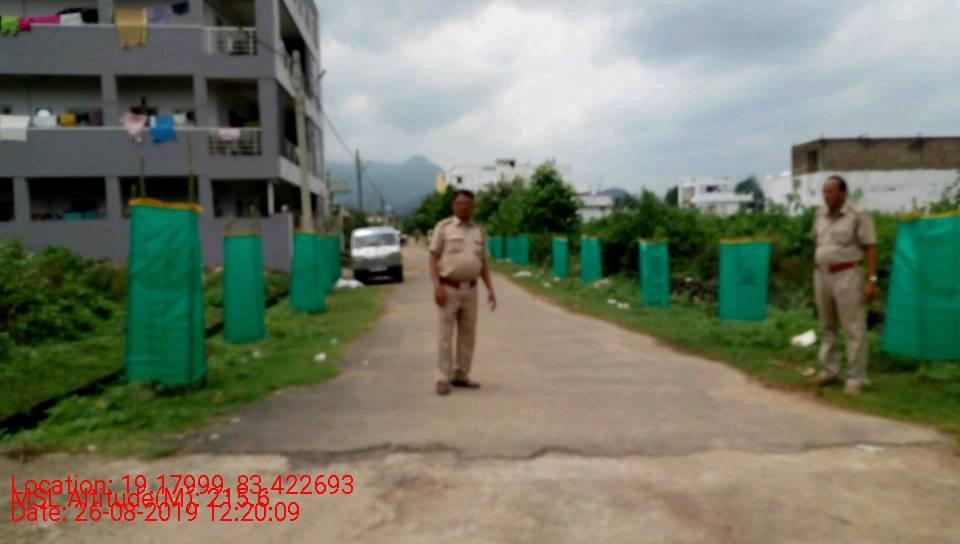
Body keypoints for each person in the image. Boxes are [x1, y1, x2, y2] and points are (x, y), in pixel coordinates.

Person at [809, 175, 878, 396]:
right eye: (824, 192)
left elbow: (870, 247)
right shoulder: (819, 215)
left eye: (831, 191)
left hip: (847, 275)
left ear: (843, 193)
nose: (826, 196)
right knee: (827, 325)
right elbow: (817, 243)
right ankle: (829, 370)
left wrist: (871, 280)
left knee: (853, 327)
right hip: (822, 275)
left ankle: (856, 377)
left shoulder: (858, 214)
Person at [429, 190, 497, 396]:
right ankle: (442, 377)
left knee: (468, 334)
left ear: (473, 206)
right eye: (459, 203)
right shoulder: (444, 228)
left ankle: (461, 374)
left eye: (467, 203)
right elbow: (433, 258)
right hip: (448, 288)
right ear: (453, 206)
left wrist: (490, 289)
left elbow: (483, 263)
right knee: (445, 334)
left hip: (471, 290)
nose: (463, 207)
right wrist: (437, 287)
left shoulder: (479, 231)